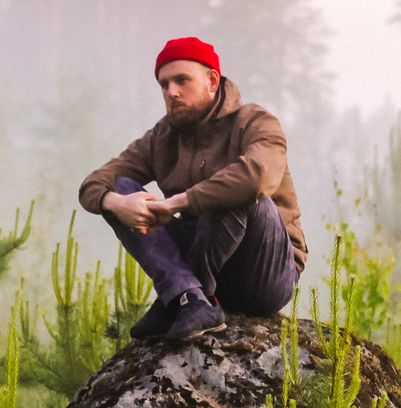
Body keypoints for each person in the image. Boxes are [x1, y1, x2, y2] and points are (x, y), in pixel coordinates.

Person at [78, 36, 307, 342]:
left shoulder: (255, 121)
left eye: (182, 80)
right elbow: (93, 184)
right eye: (164, 84)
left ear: (212, 81)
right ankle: (190, 297)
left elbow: (258, 177)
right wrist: (115, 203)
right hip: (206, 268)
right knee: (121, 189)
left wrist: (180, 203)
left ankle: (176, 296)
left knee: (239, 190)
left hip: (264, 274)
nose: (171, 92)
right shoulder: (161, 137)